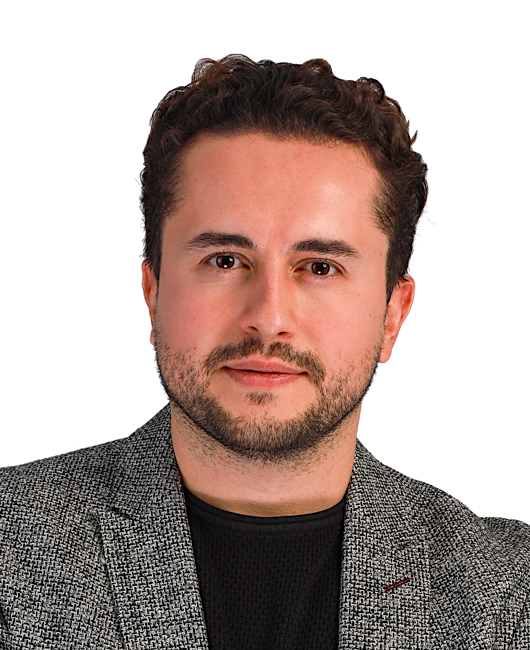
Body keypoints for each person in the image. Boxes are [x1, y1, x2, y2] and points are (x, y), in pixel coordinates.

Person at [1, 55, 528, 649]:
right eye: (225, 261)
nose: (269, 319)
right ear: (153, 294)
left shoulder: (508, 593)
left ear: (392, 315)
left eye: (320, 267)